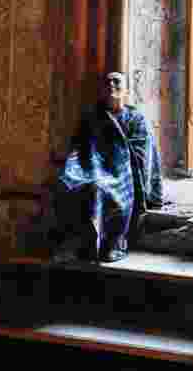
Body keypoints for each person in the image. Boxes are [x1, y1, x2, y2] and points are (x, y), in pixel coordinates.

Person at [53, 72, 163, 262]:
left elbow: (141, 154)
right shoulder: (92, 117)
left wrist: (116, 157)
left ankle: (112, 243)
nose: (111, 84)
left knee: (103, 188)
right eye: (107, 82)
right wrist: (85, 162)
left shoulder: (136, 119)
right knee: (71, 183)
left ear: (126, 90)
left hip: (123, 170)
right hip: (93, 165)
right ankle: (80, 242)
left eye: (117, 81)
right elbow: (80, 146)